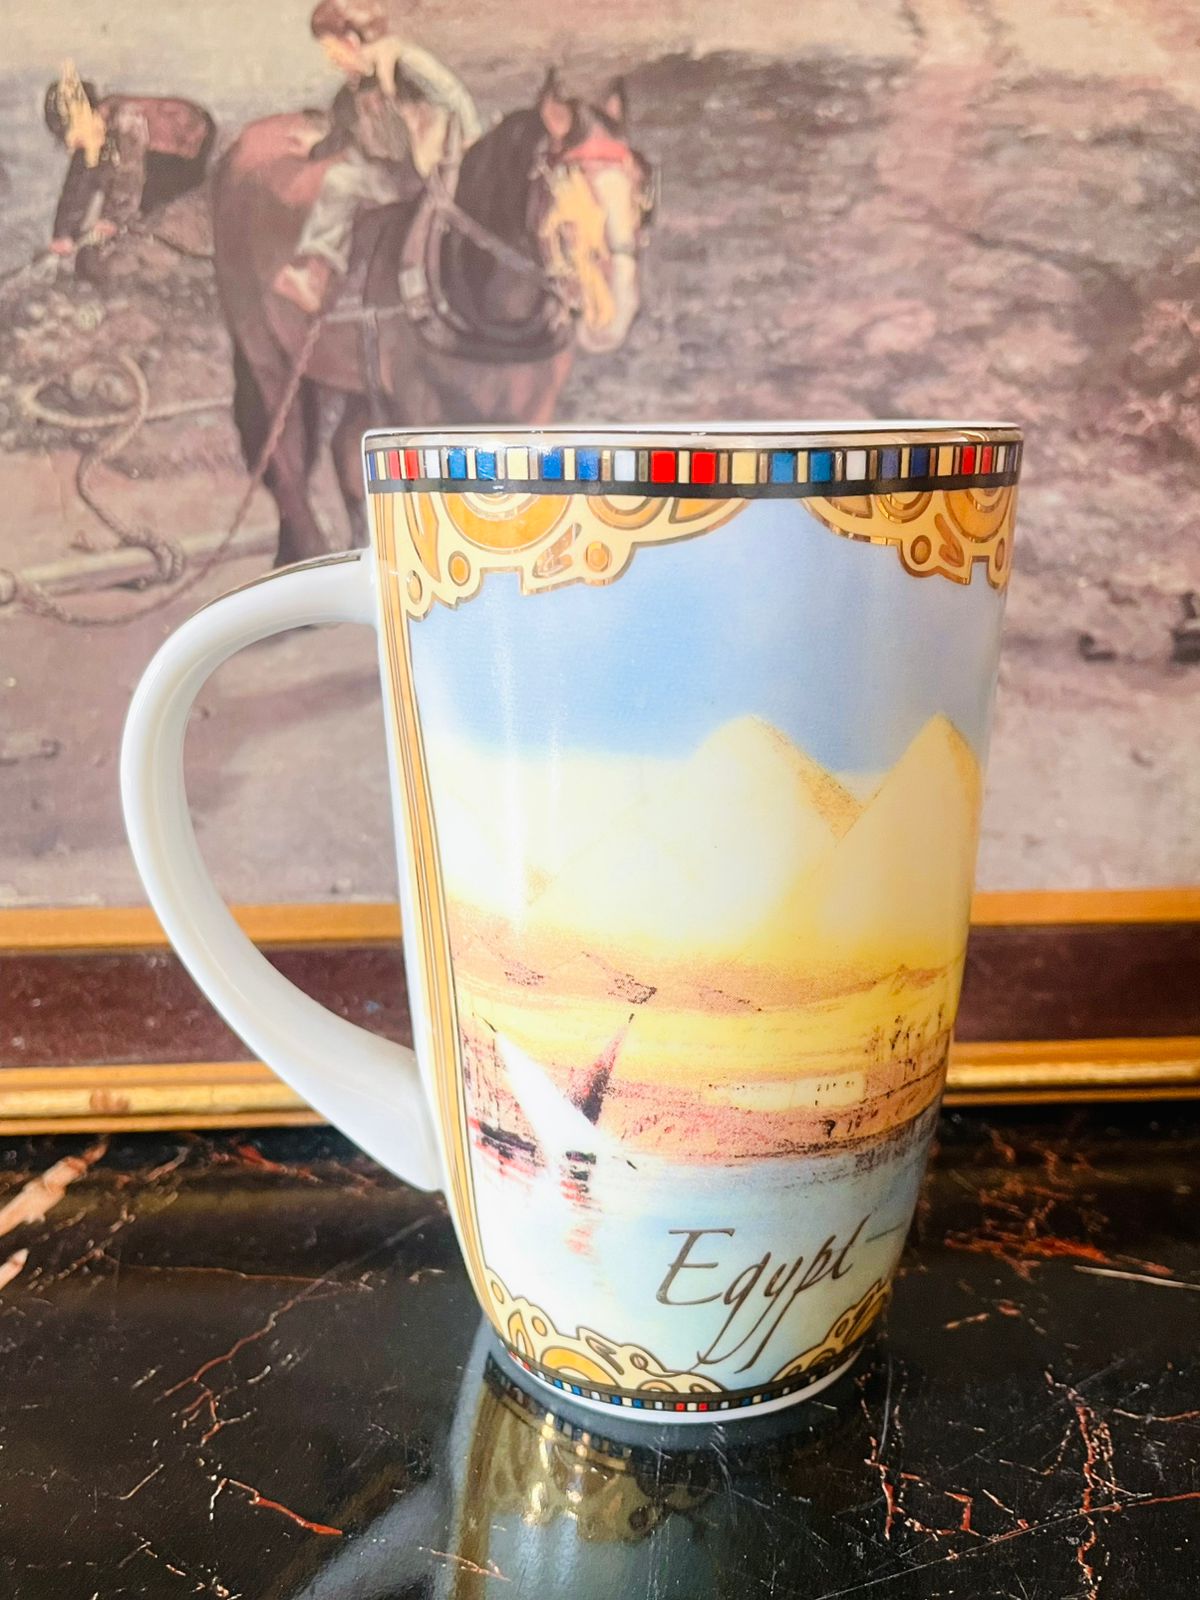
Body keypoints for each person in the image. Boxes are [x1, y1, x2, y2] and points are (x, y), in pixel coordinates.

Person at [273, 0, 482, 314]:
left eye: (331, 49)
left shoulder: (405, 64)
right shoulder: (355, 89)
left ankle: (316, 274)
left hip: (432, 175)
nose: (331, 59)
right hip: (398, 171)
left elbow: (454, 96)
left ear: (351, 41)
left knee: (341, 181)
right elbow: (342, 132)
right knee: (350, 167)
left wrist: (469, 145)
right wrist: (313, 150)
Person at [44, 63, 215, 256]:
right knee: (96, 167)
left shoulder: (125, 120)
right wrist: (62, 234)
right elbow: (76, 182)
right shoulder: (91, 131)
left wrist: (112, 220)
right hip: (154, 150)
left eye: (70, 132)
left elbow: (129, 174)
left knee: (140, 209)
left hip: (186, 150)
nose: (70, 142)